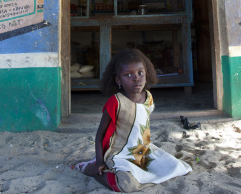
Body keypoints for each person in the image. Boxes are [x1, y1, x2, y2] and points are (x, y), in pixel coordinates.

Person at [75, 48, 192, 192]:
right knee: (126, 185)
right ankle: (93, 170)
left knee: (177, 167)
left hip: (143, 151)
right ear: (118, 80)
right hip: (119, 154)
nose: (136, 78)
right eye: (128, 75)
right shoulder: (116, 102)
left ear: (146, 73)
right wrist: (100, 161)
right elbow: (100, 135)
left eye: (140, 73)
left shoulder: (148, 97)